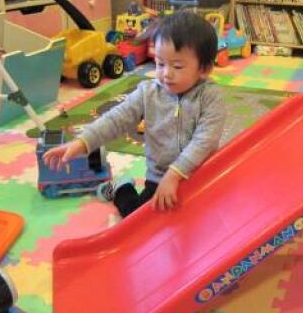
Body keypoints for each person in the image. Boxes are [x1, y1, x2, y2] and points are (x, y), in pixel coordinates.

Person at [43, 11, 226, 217]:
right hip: (159, 179)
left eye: (177, 66)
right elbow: (117, 119)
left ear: (205, 68)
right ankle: (122, 187)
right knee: (137, 219)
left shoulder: (211, 96)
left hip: (201, 176)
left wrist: (175, 174)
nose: (166, 73)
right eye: (160, 63)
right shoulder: (148, 92)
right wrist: (82, 143)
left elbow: (206, 139)